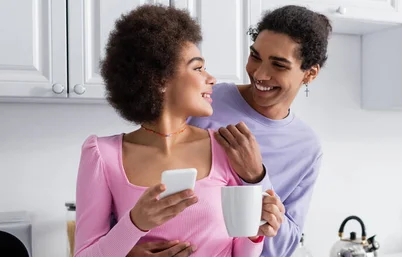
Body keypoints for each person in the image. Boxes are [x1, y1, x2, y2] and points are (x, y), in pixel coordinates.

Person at [74, 5, 283, 257]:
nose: (211, 78)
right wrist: (134, 224)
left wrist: (256, 231)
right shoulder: (102, 154)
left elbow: (242, 253)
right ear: (160, 79)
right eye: (197, 68)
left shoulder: (225, 147)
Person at [128, 5, 333, 257]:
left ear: (310, 74)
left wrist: (256, 177)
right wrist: (129, 251)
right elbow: (131, 184)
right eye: (255, 56)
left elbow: (282, 248)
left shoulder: (306, 147)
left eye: (278, 65)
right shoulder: (204, 101)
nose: (259, 73)